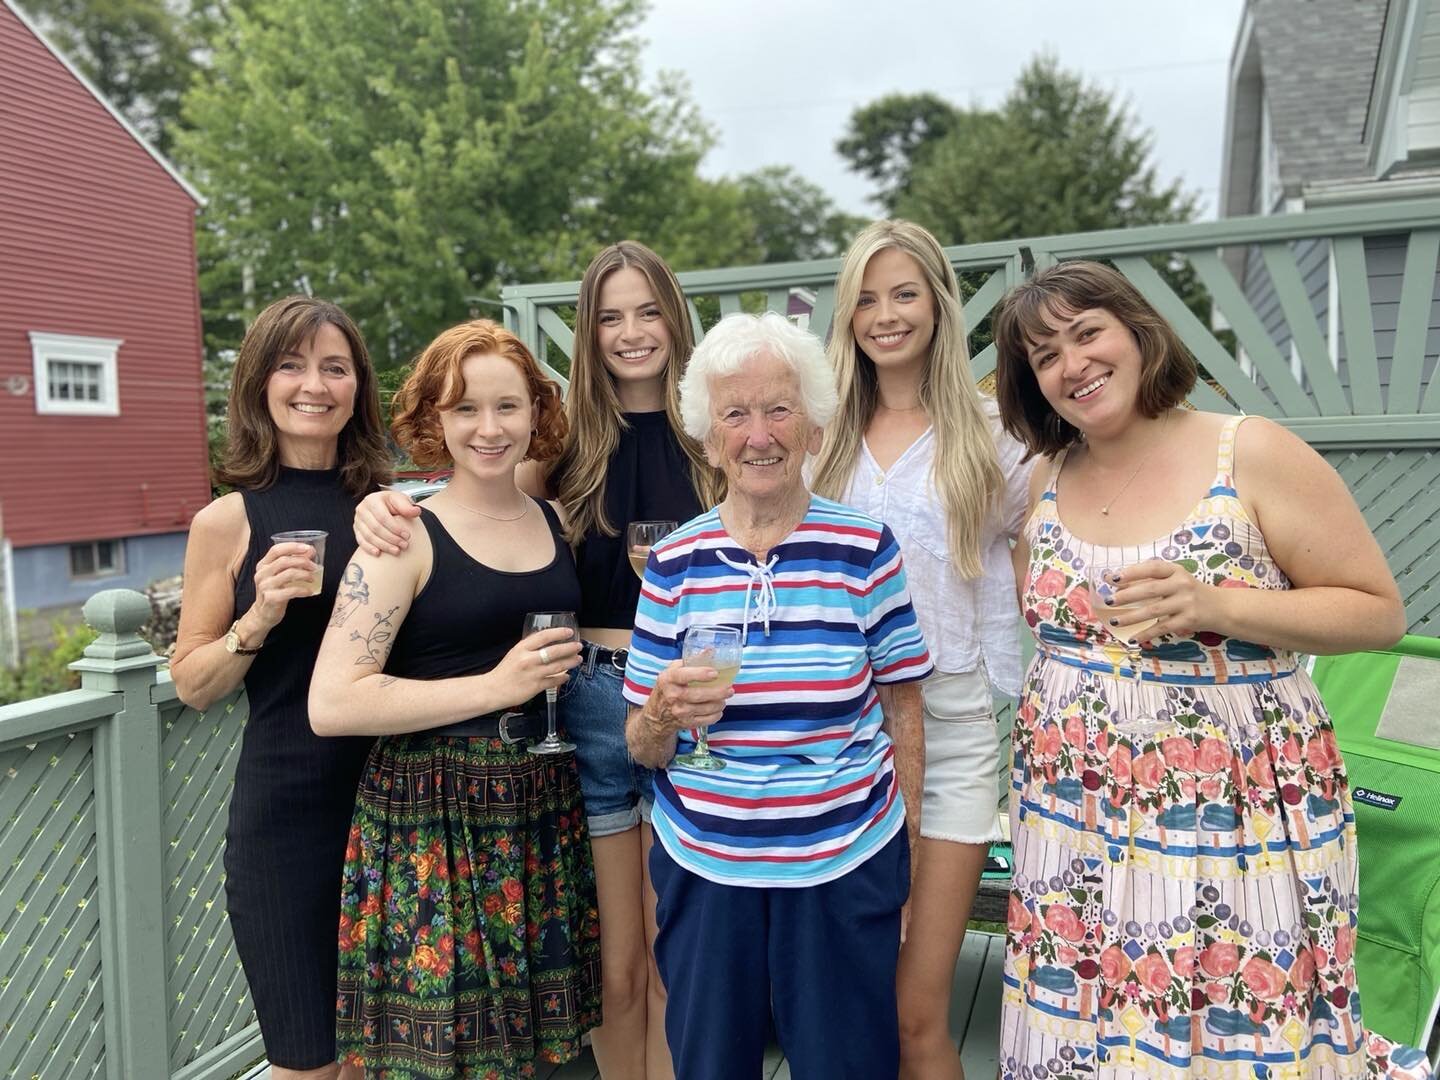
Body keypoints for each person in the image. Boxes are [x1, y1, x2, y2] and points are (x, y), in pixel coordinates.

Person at [990, 261, 1431, 1080]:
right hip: (1075, 814)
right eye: (1045, 356)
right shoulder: (1047, 476)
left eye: (1087, 334)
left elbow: (1377, 611)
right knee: (1086, 1021)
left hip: (1231, 804)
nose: (1073, 364)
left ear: (1137, 332)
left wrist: (1216, 606)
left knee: (1225, 1023)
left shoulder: (1249, 450)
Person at [352, 241, 720, 1080]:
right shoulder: (569, 444)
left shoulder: (713, 435)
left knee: (678, 961)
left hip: (690, 700)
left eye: (648, 311)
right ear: (589, 332)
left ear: (675, 317)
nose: (631, 332)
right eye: (610, 317)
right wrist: (383, 503)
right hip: (587, 699)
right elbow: (474, 497)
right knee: (616, 971)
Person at [623, 311, 932, 1080]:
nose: (758, 435)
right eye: (735, 414)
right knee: (710, 1066)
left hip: (843, 861)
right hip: (706, 867)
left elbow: (903, 709)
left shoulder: (864, 548)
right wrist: (661, 711)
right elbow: (641, 746)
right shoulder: (674, 562)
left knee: (848, 1067)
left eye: (779, 409)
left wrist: (905, 856)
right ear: (708, 439)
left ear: (814, 428)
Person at [307, 318, 601, 1079]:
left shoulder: (552, 519)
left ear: (536, 411)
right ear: (434, 419)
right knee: (441, 1056)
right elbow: (332, 702)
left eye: (507, 406)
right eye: (464, 408)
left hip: (536, 810)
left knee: (530, 1053)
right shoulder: (403, 535)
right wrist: (497, 687)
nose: (488, 428)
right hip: (432, 817)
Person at [808, 219, 1033, 1080]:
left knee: (914, 1013)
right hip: (836, 735)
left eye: (905, 294)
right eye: (866, 298)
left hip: (951, 729)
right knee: (848, 999)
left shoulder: (991, 431)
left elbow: (1053, 545)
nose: (886, 315)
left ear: (939, 303)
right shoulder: (819, 432)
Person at [171, 296, 392, 1080]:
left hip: (395, 810)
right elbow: (194, 684)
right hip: (286, 822)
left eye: (335, 368)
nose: (314, 385)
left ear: (358, 388)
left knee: (381, 1057)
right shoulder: (226, 522)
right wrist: (258, 616)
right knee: (306, 1062)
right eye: (292, 366)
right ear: (259, 383)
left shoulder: (388, 511)